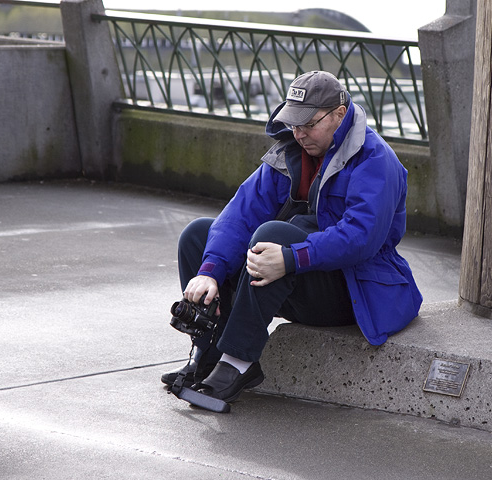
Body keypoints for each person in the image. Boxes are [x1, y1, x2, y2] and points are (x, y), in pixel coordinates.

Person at [161, 70, 423, 403]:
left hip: (353, 290)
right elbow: (240, 214)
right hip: (301, 278)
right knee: (198, 235)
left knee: (274, 235)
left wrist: (291, 258)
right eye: (293, 123)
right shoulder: (290, 152)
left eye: (308, 124)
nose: (298, 134)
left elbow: (361, 237)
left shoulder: (375, 159)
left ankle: (238, 361)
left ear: (339, 115)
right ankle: (208, 352)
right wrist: (209, 271)